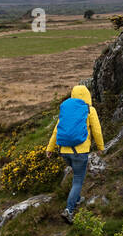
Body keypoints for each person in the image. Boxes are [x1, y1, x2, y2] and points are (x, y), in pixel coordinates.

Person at [44, 83, 105, 224]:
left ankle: (76, 199)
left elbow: (56, 131)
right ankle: (69, 210)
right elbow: (97, 131)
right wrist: (101, 147)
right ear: (87, 96)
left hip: (64, 151)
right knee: (78, 180)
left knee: (75, 176)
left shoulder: (66, 110)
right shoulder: (90, 110)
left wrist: (49, 148)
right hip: (80, 152)